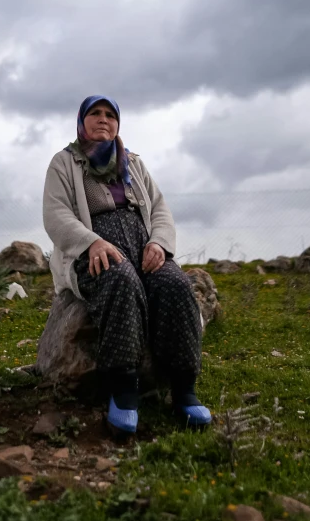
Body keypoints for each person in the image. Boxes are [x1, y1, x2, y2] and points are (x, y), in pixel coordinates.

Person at [43, 95, 211, 434]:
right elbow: (55, 214)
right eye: (95, 114)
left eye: (110, 115)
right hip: (92, 251)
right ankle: (123, 390)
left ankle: (183, 390)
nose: (103, 119)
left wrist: (159, 243)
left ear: (118, 123)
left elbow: (160, 208)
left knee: (175, 285)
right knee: (121, 282)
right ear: (82, 121)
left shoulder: (133, 162)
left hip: (143, 248)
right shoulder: (63, 162)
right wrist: (92, 242)